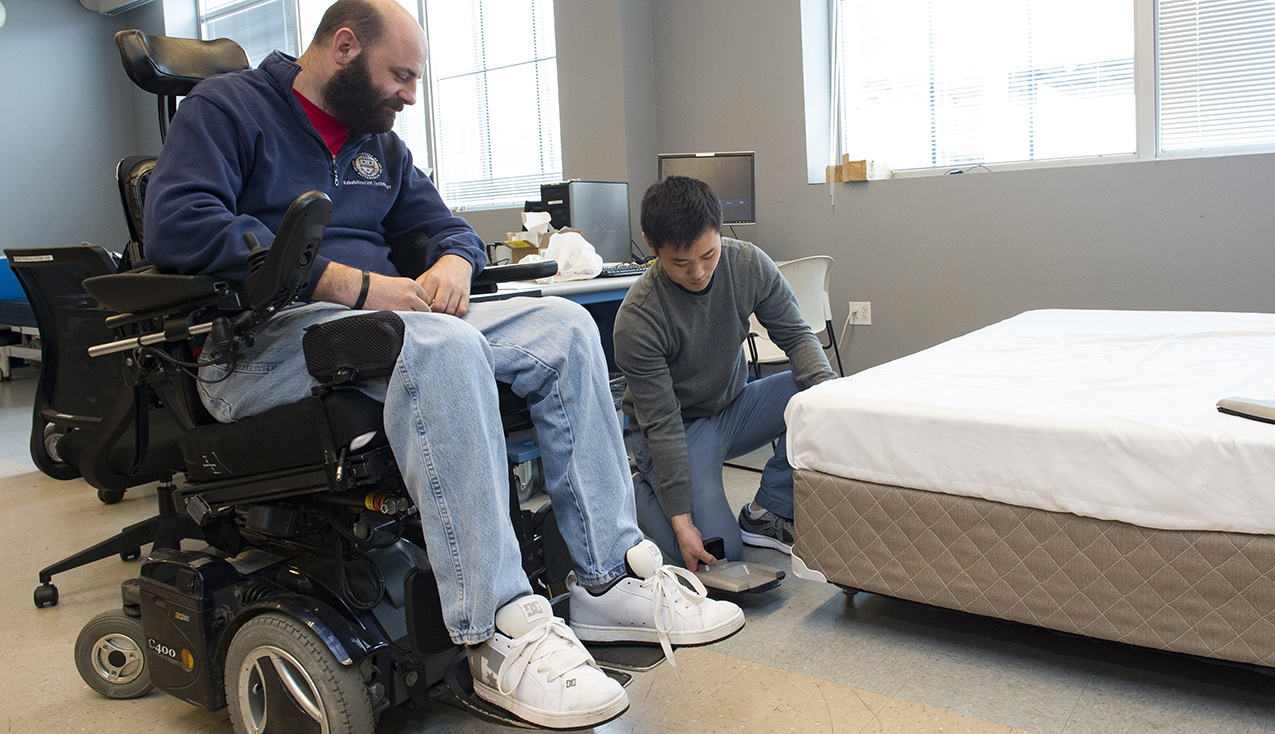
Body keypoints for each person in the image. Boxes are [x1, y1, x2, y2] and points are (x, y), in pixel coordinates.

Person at [141, 1, 742, 728]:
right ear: (342, 48)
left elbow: (442, 226)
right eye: (399, 76)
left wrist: (455, 261)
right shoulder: (227, 109)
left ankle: (607, 578)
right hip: (262, 345)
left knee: (564, 326)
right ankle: (496, 628)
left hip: (378, 327)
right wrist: (358, 287)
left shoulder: (379, 146)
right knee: (440, 343)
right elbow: (178, 225)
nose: (410, 95)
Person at [614, 176, 838, 572]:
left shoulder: (747, 262)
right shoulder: (639, 318)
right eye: (680, 263)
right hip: (674, 433)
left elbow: (799, 339)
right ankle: (632, 490)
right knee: (718, 558)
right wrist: (682, 524)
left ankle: (768, 511)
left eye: (708, 254)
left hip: (732, 410)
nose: (698, 272)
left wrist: (838, 409)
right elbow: (662, 424)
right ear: (652, 247)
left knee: (820, 396)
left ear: (719, 232)